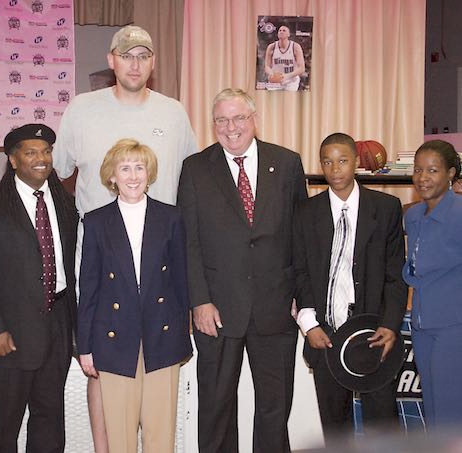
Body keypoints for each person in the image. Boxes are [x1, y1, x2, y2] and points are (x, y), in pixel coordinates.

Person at [54, 24, 197, 451]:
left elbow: (193, 178)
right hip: (101, 258)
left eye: (143, 56)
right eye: (126, 55)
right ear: (112, 60)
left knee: (157, 402)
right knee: (104, 371)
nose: (135, 63)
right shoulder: (81, 108)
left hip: (161, 264)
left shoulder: (173, 112)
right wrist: (5, 190)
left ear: (153, 63)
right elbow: (54, 173)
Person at [177, 88, 307, 453]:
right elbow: (189, 241)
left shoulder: (287, 163)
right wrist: (199, 301)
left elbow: (301, 235)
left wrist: (301, 296)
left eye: (238, 118)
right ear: (213, 124)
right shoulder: (195, 168)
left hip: (276, 307)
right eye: (221, 120)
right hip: (217, 311)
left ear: (253, 119)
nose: (231, 127)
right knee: (216, 408)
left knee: (274, 408)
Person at [0, 124, 78, 453]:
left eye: (46, 152)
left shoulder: (66, 204)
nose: (41, 159)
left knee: (49, 418)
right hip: (10, 334)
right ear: (13, 160)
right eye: (31, 153)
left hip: (57, 325)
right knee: (6, 422)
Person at [293, 133, 407, 446]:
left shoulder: (385, 208)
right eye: (327, 162)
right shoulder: (306, 213)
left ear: (356, 162)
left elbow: (396, 274)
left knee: (381, 425)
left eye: (343, 160)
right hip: (326, 336)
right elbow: (299, 272)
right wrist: (309, 324)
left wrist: (390, 324)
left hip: (373, 333)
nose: (335, 169)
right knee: (335, 429)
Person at [78, 139, 192, 453]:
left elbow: (182, 283)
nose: (132, 175)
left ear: (149, 172)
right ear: (111, 176)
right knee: (120, 438)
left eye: (139, 167)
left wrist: (183, 335)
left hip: (163, 337)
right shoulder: (96, 221)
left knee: (160, 435)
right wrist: (85, 346)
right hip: (113, 339)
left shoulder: (171, 217)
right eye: (125, 168)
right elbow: (88, 288)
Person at [403, 140, 462, 429]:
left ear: (450, 173)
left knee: (452, 410)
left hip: (454, 326)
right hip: (422, 326)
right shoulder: (413, 215)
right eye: (418, 170)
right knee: (433, 408)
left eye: (432, 170)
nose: (422, 177)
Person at [264, 25, 305, 91]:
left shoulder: (295, 47)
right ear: (277, 34)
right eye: (279, 30)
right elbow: (267, 66)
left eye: (284, 30)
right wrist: (272, 74)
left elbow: (302, 68)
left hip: (291, 80)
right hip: (276, 80)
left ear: (288, 34)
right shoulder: (271, 47)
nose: (281, 32)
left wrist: (286, 76)